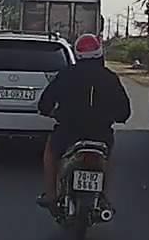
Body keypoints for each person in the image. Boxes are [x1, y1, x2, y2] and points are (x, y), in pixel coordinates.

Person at [36, 33, 131, 209]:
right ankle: (104, 198)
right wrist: (116, 117)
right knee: (107, 159)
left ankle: (51, 195)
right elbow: (124, 112)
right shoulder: (110, 77)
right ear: (99, 53)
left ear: (77, 53)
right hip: (101, 134)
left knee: (51, 152)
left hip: (68, 133)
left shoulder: (66, 74)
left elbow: (44, 103)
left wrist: (51, 112)